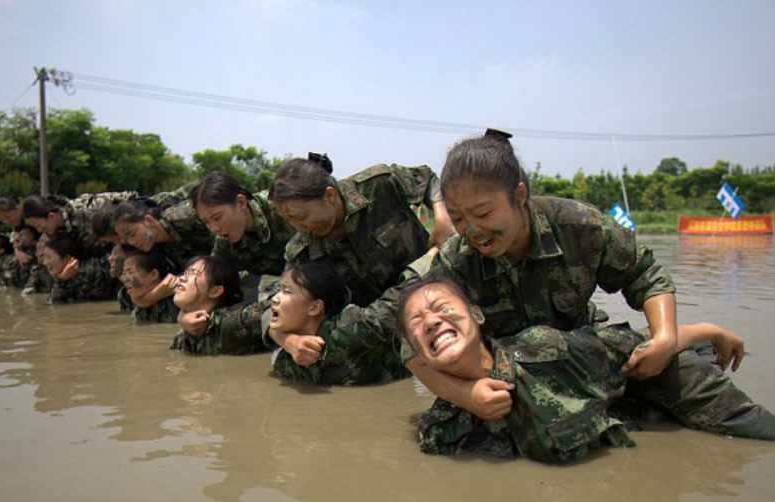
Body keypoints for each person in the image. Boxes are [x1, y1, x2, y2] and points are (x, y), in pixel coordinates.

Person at [403, 128, 775, 440]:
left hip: (589, 356)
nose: (471, 229)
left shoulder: (579, 226)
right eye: (457, 217)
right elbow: (407, 338)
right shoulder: (454, 260)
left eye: (483, 213)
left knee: (706, 396)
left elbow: (645, 274)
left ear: (519, 196)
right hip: (517, 381)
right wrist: (467, 395)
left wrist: (664, 340)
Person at [396, 276, 774, 463]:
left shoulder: (544, 352)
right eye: (417, 321)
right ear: (418, 354)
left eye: (441, 308)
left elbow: (638, 346)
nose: (431, 321)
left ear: (477, 315)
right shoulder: (441, 430)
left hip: (658, 386)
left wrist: (710, 331)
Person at [264, 152, 455, 366]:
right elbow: (271, 307)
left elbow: (427, 179)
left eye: (301, 216)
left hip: (439, 291)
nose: (300, 227)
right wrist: (289, 341)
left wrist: (442, 215)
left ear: (330, 196)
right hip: (384, 323)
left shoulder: (378, 185)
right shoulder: (302, 250)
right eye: (289, 221)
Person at [270, 262, 410, 386]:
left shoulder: (350, 328)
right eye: (278, 290)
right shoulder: (286, 364)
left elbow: (399, 301)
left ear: (314, 307)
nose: (274, 299)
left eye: (286, 292)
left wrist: (424, 261)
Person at [191, 170, 296, 279]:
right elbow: (212, 275)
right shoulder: (225, 244)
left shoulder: (282, 209)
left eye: (217, 218)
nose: (214, 229)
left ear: (241, 202)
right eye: (206, 222)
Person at [170, 255, 266, 356]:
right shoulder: (182, 336)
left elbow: (273, 309)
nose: (181, 278)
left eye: (194, 273)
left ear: (215, 291)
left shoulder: (235, 320)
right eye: (185, 273)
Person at [22, 191, 138, 259]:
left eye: (39, 226)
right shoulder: (58, 234)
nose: (40, 231)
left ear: (51, 216)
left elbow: (132, 198)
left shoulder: (88, 208)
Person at [111, 199, 214, 270]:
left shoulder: (185, 216)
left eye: (132, 234)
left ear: (148, 220)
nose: (132, 242)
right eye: (126, 239)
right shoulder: (159, 252)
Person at [43, 233, 117, 303]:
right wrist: (62, 279)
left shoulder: (92, 269)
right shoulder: (62, 280)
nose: (45, 262)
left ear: (66, 258)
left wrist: (62, 280)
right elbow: (52, 303)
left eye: (49, 257)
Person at [120, 246, 181, 323]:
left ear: (153, 274)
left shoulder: (179, 298)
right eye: (124, 273)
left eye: (131, 272)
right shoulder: (127, 298)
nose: (125, 279)